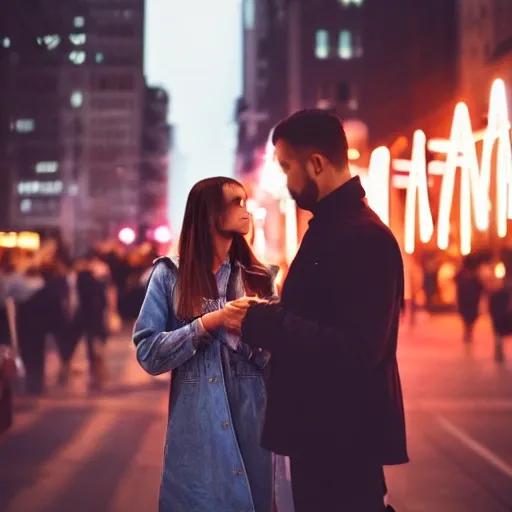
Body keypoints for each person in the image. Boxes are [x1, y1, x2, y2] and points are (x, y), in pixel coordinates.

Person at [230, 110, 408, 511]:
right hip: (321, 436)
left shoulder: (363, 238)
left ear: (316, 164)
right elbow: (320, 317)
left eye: (286, 167)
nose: (285, 180)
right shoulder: (329, 228)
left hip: (343, 443)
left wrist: (264, 322)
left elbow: (359, 348)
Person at [133, 177, 292, 512]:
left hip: (255, 430)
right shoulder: (169, 276)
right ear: (209, 214)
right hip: (198, 439)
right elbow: (148, 353)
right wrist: (209, 323)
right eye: (235, 202)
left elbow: (280, 355)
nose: (245, 210)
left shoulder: (259, 277)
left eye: (245, 201)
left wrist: (250, 334)